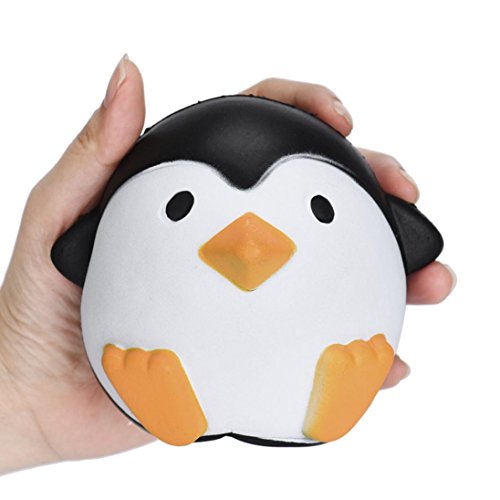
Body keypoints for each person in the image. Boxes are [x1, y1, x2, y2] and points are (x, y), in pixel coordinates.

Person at [0, 55, 456, 475]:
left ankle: (327, 399)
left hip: (306, 376)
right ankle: (175, 400)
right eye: (179, 206)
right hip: (140, 380)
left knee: (349, 352)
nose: (250, 249)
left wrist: (20, 398)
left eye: (320, 208)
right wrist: (16, 391)